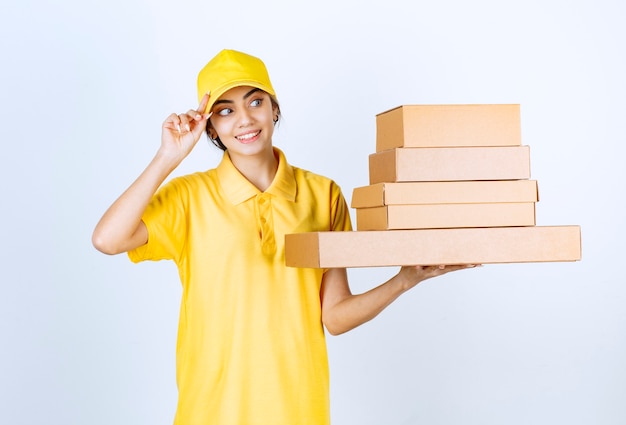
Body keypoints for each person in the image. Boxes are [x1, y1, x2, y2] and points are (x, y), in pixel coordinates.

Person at [92, 49, 474, 425]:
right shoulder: (188, 197)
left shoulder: (322, 194)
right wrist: (168, 157)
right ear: (210, 127)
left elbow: (336, 317)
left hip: (298, 409)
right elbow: (107, 240)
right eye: (225, 110)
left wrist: (406, 279)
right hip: (210, 411)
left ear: (274, 108)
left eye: (255, 102)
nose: (244, 119)